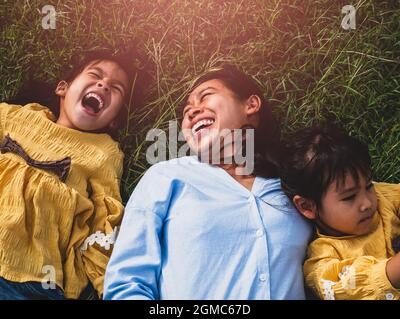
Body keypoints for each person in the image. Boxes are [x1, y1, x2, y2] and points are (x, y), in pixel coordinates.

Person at [103, 65, 312, 300]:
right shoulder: (167, 177)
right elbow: (127, 282)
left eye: (206, 97)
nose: (192, 112)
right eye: (186, 111)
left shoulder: (292, 183)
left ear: (251, 105)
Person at [0, 50, 135, 299]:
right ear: (63, 88)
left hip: (32, 278)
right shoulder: (17, 116)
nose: (103, 85)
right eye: (95, 75)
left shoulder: (103, 152)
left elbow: (104, 221)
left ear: (114, 121)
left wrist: (109, 287)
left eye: (116, 89)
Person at [280, 125, 400, 300]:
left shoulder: (384, 198)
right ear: (307, 206)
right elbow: (342, 288)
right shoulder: (324, 256)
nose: (367, 203)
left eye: (368, 186)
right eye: (349, 197)